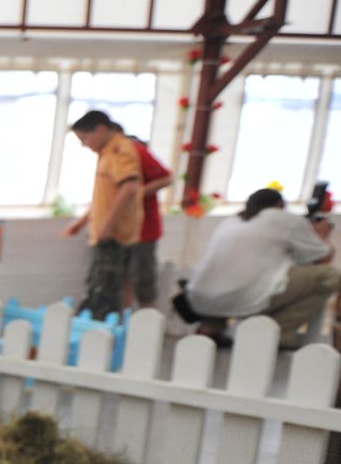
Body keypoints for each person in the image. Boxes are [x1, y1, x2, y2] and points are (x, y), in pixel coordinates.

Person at [184, 188, 339, 348]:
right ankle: (275, 334)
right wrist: (320, 235)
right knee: (330, 276)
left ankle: (212, 327)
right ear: (280, 204)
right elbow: (322, 258)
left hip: (200, 298)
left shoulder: (232, 220)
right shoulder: (282, 218)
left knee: (242, 282)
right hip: (244, 296)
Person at [59, 110, 145, 319]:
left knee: (105, 290)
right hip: (104, 232)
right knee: (97, 284)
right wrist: (82, 222)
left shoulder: (120, 149)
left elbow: (129, 187)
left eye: (84, 138)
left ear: (100, 129)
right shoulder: (106, 152)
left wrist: (107, 225)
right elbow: (105, 197)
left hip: (114, 235)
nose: (84, 144)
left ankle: (98, 332)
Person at [125, 134, 174, 312]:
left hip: (144, 229)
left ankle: (148, 321)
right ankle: (125, 321)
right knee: (123, 279)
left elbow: (167, 177)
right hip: (123, 229)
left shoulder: (137, 151)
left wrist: (136, 194)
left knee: (143, 278)